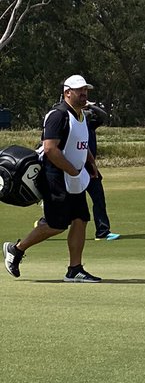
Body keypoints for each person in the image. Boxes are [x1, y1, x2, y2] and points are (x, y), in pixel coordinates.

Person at [3, 75, 103, 283]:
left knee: (80, 219)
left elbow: (80, 143)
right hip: (55, 175)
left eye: (85, 90)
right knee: (56, 224)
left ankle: (75, 269)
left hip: (73, 175)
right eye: (79, 90)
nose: (84, 94)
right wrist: (72, 171)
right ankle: (16, 249)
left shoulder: (81, 115)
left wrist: (90, 163)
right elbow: (50, 149)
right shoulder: (58, 116)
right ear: (67, 93)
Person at [84, 101, 120, 241]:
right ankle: (46, 221)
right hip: (76, 168)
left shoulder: (90, 125)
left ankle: (103, 231)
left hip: (91, 168)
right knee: (68, 202)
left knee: (99, 199)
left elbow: (103, 115)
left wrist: (90, 106)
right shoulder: (71, 124)